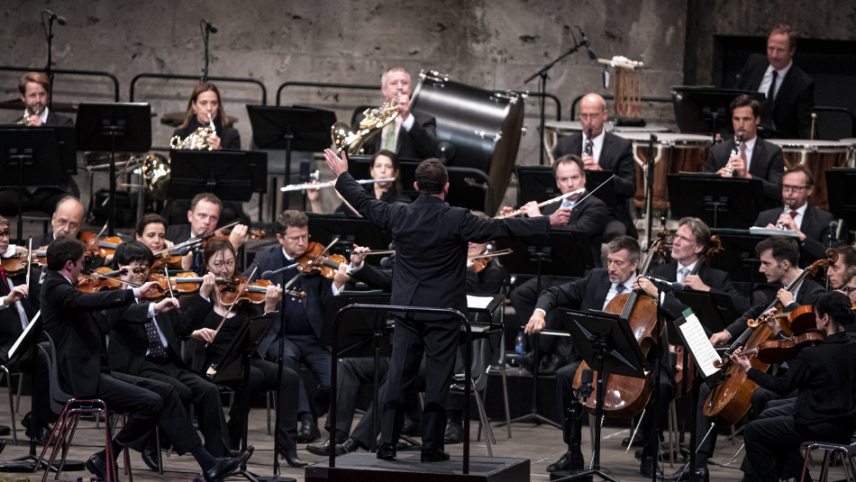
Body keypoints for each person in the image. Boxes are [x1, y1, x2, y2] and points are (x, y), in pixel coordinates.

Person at [323, 148, 570, 462]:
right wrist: (546, 222)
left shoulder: (399, 214)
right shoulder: (457, 218)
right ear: (447, 187)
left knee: (399, 377)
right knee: (438, 380)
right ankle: (432, 447)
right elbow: (502, 228)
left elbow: (364, 202)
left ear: (415, 186)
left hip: (407, 311)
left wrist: (343, 176)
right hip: (443, 312)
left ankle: (386, 445)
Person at [40, 236, 249, 482]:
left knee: (167, 394)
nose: (84, 270)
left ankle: (208, 463)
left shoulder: (71, 289)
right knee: (156, 399)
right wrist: (133, 293)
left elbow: (103, 322)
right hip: (82, 377)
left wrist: (153, 307)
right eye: (81, 263)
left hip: (96, 371)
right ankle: (203, 462)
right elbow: (85, 302)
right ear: (69, 264)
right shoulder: (57, 287)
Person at [680, 236, 826, 481]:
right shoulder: (780, 290)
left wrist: (790, 308)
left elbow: (812, 338)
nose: (760, 269)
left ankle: (764, 471)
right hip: (774, 368)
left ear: (785, 264)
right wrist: (726, 334)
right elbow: (754, 313)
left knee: (761, 397)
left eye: (765, 263)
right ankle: (699, 465)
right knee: (709, 387)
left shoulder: (814, 293)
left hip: (797, 377)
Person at [102, 241, 232, 470]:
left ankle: (219, 456)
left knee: (208, 390)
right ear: (122, 267)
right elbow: (128, 314)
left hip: (167, 363)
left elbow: (181, 329)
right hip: (137, 366)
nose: (143, 274)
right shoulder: (114, 296)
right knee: (177, 393)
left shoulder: (156, 292)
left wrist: (202, 296)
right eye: (137, 268)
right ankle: (153, 443)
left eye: (146, 269)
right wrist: (150, 304)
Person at [633, 217, 747, 477]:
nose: (675, 242)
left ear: (698, 247)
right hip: (667, 351)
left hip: (704, 352)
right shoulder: (660, 274)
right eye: (677, 236)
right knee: (659, 384)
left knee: (710, 387)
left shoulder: (716, 277)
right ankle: (649, 452)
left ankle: (698, 463)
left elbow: (743, 308)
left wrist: (707, 290)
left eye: (683, 238)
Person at [524, 236, 640, 476]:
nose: (611, 268)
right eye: (610, 261)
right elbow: (553, 292)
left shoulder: (645, 287)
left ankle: (649, 453)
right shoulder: (596, 278)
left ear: (634, 265)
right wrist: (539, 312)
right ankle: (573, 451)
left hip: (629, 361)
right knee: (565, 376)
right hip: (593, 357)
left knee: (658, 384)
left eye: (618, 263)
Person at [193, 237, 306, 467]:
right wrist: (204, 297)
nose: (225, 269)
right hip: (212, 362)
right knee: (252, 376)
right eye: (218, 264)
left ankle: (287, 445)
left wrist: (269, 308)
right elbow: (186, 327)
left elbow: (258, 334)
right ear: (207, 266)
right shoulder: (199, 295)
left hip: (243, 358)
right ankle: (232, 437)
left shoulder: (243, 294)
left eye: (230, 263)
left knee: (289, 377)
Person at [245, 210, 349, 444]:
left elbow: (327, 304)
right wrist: (266, 298)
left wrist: (337, 287)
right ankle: (305, 420)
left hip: (314, 338)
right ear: (280, 238)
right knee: (287, 361)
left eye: (305, 236)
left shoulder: (319, 260)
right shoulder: (265, 261)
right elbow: (246, 289)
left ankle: (313, 413)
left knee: (338, 376)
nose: (303, 243)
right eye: (295, 238)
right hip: (279, 335)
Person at [732, 291, 856, 482]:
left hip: (815, 426)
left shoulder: (814, 355)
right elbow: (801, 358)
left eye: (815, 316)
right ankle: (797, 477)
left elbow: (782, 386)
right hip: (846, 427)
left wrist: (750, 371)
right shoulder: (851, 346)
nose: (814, 321)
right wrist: (779, 334)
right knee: (773, 419)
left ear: (825, 319)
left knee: (753, 431)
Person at [505, 154, 609, 372]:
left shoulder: (595, 206)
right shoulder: (553, 207)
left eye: (574, 178)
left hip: (579, 274)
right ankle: (542, 349)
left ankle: (540, 355)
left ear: (583, 178)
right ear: (557, 182)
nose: (570, 184)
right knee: (519, 294)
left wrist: (538, 220)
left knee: (554, 300)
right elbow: (537, 236)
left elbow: (575, 235)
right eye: (564, 179)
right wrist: (515, 221)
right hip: (554, 270)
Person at [553, 92, 637, 239]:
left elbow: (629, 188)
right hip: (571, 210)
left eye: (593, 116)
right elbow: (555, 183)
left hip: (609, 213)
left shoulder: (621, 146)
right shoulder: (565, 144)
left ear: (604, 115)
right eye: (584, 116)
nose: (588, 121)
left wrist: (602, 173)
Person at [0, 215, 52, 444]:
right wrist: (6, 300)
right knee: (45, 357)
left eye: (5, 234)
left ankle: (38, 418)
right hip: (4, 344)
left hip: (27, 338)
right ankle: (38, 423)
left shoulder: (16, 265)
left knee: (59, 353)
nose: (3, 240)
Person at [0, 72, 76, 216]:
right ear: (23, 97)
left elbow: (66, 160)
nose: (38, 100)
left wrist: (44, 129)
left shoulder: (64, 123)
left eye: (42, 94)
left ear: (48, 96)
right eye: (33, 95)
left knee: (71, 207)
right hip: (20, 190)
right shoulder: (14, 126)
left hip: (53, 189)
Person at [734, 24, 814, 139]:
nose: (774, 55)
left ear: (792, 51)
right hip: (745, 137)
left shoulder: (803, 83)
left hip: (779, 143)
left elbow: (805, 125)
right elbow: (735, 99)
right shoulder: (754, 63)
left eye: (780, 50)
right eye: (770, 48)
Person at [704, 94, 785, 206]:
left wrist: (748, 177)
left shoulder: (772, 152)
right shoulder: (717, 151)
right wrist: (716, 180)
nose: (740, 125)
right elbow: (703, 189)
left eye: (746, 119)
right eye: (736, 119)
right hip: (726, 212)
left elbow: (778, 191)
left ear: (757, 120)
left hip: (758, 214)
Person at [754, 165, 835, 264]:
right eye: (786, 187)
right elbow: (751, 252)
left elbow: (830, 256)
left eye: (796, 188)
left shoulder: (825, 220)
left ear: (809, 190)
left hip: (807, 276)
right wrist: (766, 238)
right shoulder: (765, 217)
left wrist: (799, 235)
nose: (789, 193)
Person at [358, 67, 439, 160]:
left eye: (404, 83)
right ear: (384, 90)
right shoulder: (364, 118)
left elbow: (432, 151)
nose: (400, 87)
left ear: (409, 90)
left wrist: (407, 118)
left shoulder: (425, 119)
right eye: (393, 83)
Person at [165, 192, 249, 273]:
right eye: (202, 215)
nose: (207, 222)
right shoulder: (169, 234)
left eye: (213, 218)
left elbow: (228, 276)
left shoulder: (223, 242)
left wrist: (232, 247)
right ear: (190, 216)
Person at [307, 149, 410, 215]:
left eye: (388, 167)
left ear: (396, 173)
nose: (382, 171)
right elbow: (331, 226)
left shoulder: (401, 202)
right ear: (372, 171)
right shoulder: (361, 192)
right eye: (378, 166)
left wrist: (346, 195)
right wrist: (315, 201)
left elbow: (372, 218)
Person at [172, 82, 239, 151]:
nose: (209, 108)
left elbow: (235, 162)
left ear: (218, 106)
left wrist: (220, 150)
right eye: (203, 103)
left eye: (214, 103)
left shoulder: (231, 135)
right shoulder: (180, 135)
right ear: (194, 106)